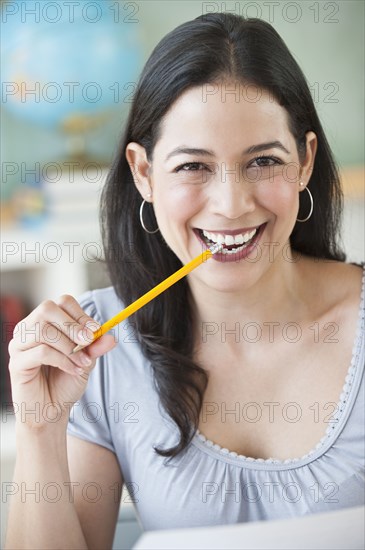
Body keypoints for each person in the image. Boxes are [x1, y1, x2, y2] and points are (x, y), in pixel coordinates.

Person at [6, 12, 364, 549]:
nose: (231, 205)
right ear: (144, 173)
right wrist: (40, 427)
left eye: (263, 161)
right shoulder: (100, 348)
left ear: (305, 162)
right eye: (193, 167)